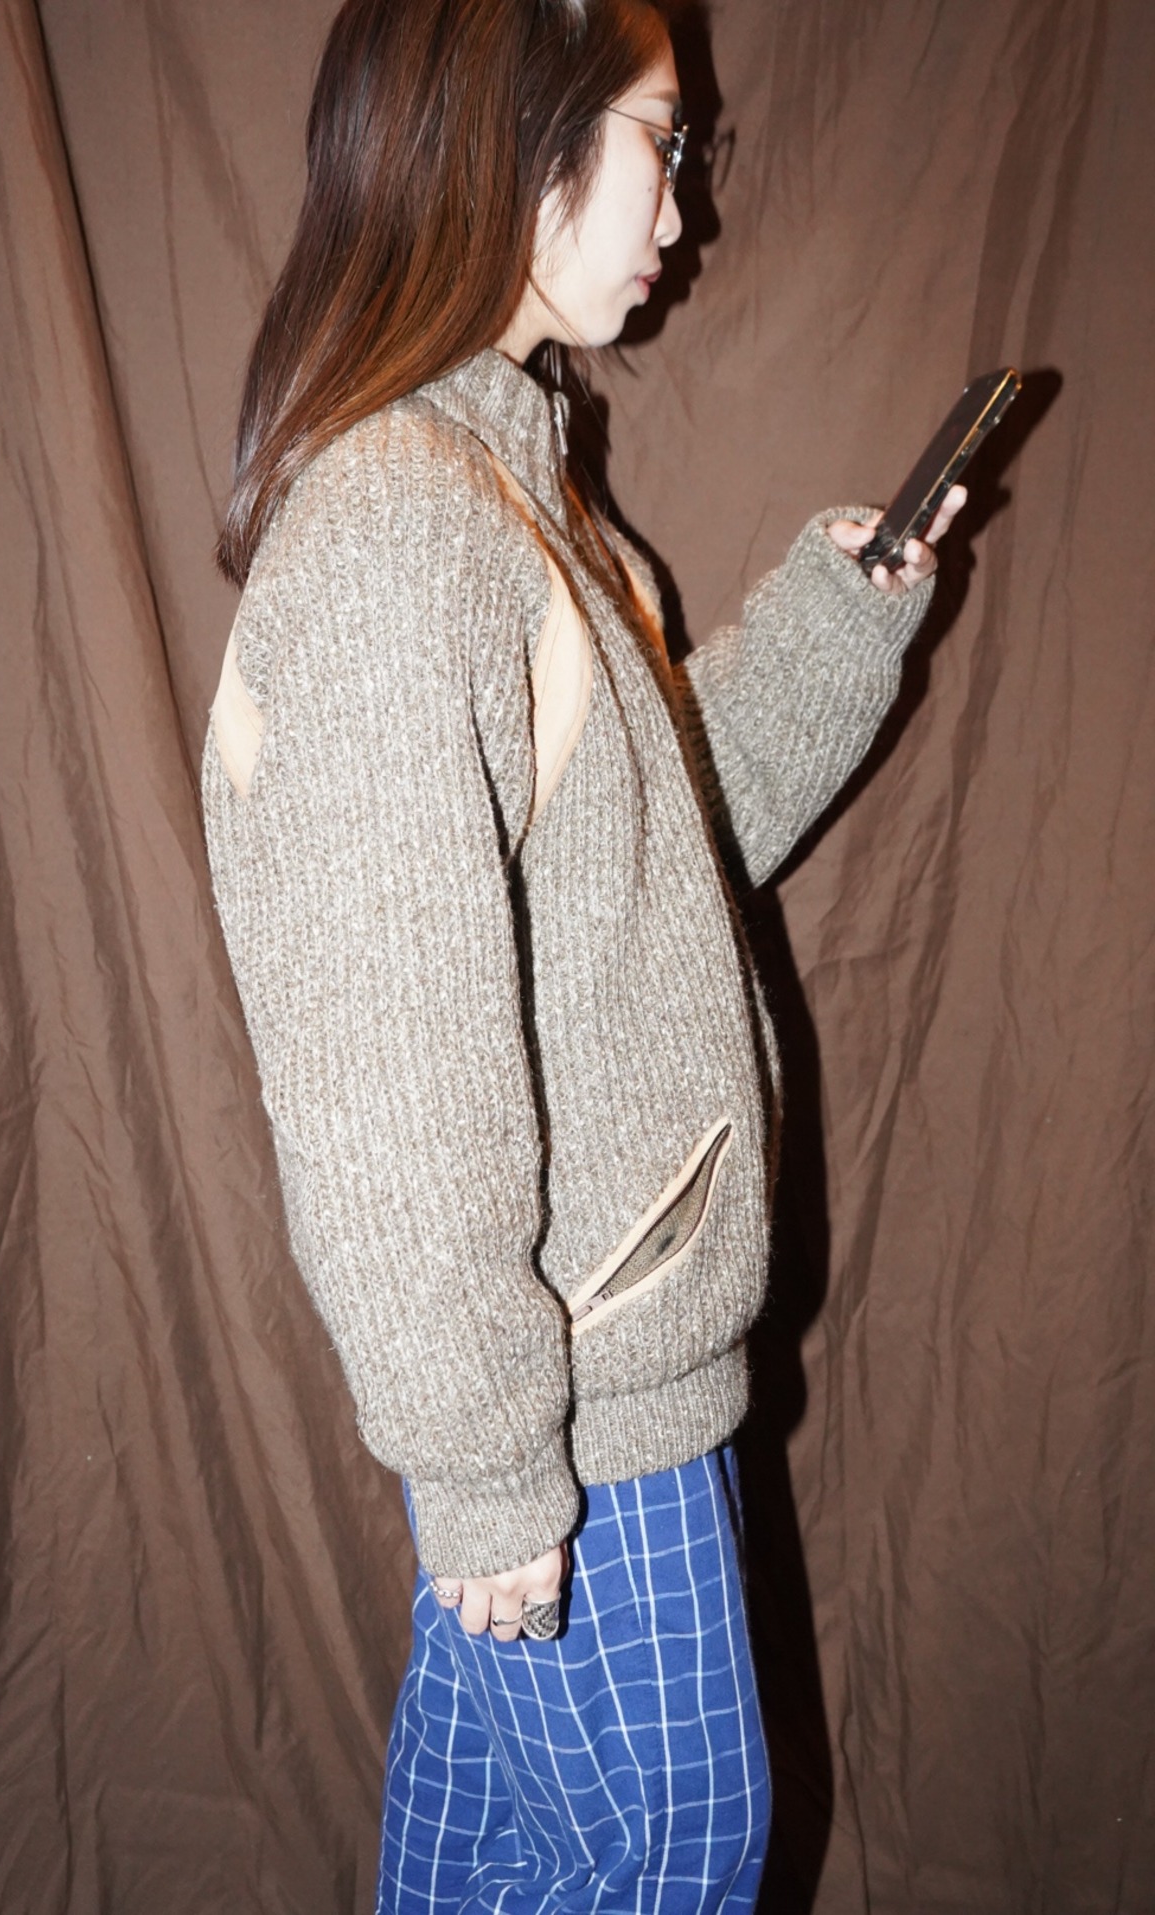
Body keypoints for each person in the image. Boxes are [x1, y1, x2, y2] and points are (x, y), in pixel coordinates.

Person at [202, 0, 964, 1907]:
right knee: (678, 1846)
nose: (684, 209)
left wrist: (838, 623)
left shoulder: (516, 506)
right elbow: (386, 1074)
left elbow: (653, 867)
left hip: (584, 1370)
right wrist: (484, 1469)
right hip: (576, 1394)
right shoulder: (396, 539)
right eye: (660, 140)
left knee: (491, 1860)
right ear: (511, 140)